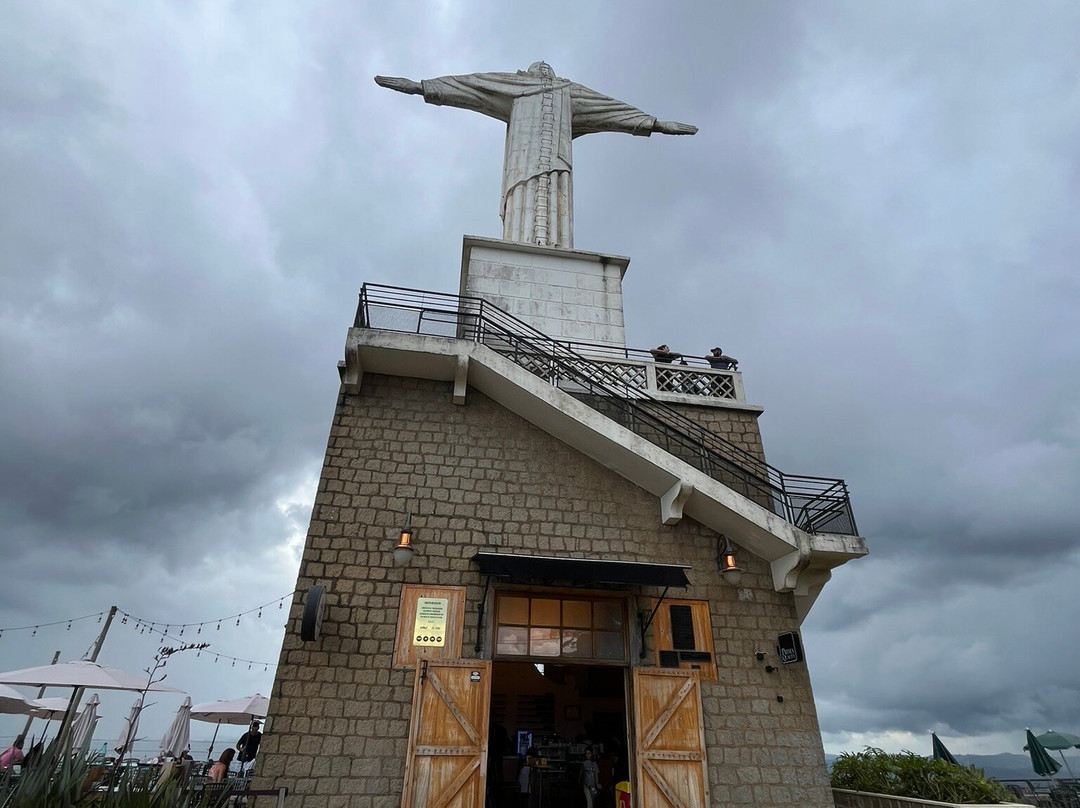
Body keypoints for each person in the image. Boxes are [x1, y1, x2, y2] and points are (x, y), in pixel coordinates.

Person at [375, 62, 696, 249]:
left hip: (558, 164)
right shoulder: (512, 84)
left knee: (555, 206)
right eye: (536, 67)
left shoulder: (568, 91)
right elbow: (472, 87)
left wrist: (654, 124)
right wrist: (423, 87)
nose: (543, 68)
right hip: (522, 162)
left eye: (547, 68)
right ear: (524, 72)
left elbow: (609, 108)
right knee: (522, 204)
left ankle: (555, 250)